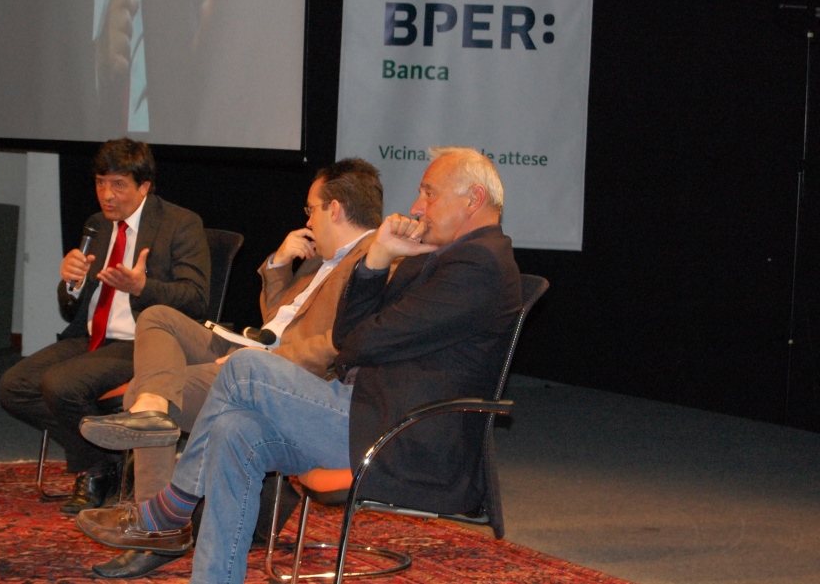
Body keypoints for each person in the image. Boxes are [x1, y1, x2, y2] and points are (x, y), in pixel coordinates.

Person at [74, 146, 523, 584]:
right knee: (233, 430)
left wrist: (367, 304)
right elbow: (353, 332)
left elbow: (361, 342)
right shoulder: (432, 256)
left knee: (243, 368)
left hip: (398, 432)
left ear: (474, 199)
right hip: (362, 409)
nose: (417, 206)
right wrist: (377, 260)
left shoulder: (478, 263)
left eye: (429, 193)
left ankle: (172, 507)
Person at [77, 158, 383, 578]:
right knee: (157, 318)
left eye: (311, 209)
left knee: (146, 393)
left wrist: (265, 361)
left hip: (281, 375)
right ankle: (152, 414)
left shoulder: (373, 262)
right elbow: (277, 319)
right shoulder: (321, 257)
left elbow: (339, 344)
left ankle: (156, 527)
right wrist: (279, 263)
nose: (307, 219)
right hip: (249, 346)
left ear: (335, 209)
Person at [0, 138, 210, 514]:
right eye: (100, 183)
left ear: (144, 186)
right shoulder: (96, 225)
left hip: (144, 344)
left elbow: (196, 298)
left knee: (61, 385)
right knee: (15, 387)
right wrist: (71, 283)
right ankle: (109, 458)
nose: (107, 195)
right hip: (91, 338)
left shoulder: (180, 224)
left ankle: (96, 471)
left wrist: (143, 287)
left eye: (118, 185)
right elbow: (70, 308)